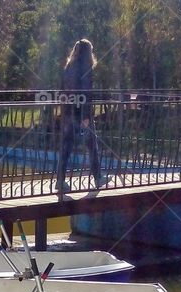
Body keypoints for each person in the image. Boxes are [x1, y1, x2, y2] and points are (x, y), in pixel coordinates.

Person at [55, 39, 108, 193]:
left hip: (68, 111)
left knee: (66, 146)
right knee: (92, 145)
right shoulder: (86, 67)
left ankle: (60, 180)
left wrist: (64, 109)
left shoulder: (68, 66)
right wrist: (86, 115)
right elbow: (86, 92)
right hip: (81, 112)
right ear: (87, 52)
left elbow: (61, 90)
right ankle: (98, 178)